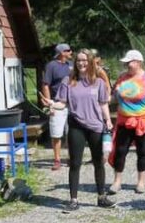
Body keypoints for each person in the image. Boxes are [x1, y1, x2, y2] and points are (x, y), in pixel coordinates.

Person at [54, 49, 117, 212]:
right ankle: (73, 200)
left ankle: (101, 197)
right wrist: (53, 105)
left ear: (90, 62)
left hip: (96, 126)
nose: (81, 63)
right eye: (78, 60)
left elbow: (103, 103)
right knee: (75, 163)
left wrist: (108, 120)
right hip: (76, 126)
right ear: (75, 63)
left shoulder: (99, 83)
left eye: (84, 60)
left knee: (99, 162)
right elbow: (62, 102)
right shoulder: (68, 81)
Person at [109, 49, 145, 194]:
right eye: (126, 63)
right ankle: (117, 181)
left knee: (143, 151)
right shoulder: (122, 78)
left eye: (130, 62)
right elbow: (113, 97)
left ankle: (141, 182)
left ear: (139, 62)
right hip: (124, 121)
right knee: (120, 151)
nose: (127, 65)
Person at [40, 43, 73, 171]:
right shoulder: (51, 66)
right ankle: (57, 159)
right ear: (61, 53)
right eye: (68, 50)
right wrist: (49, 103)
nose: (71, 52)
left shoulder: (70, 66)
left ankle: (71, 157)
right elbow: (46, 84)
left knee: (71, 132)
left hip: (71, 104)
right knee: (56, 133)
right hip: (57, 103)